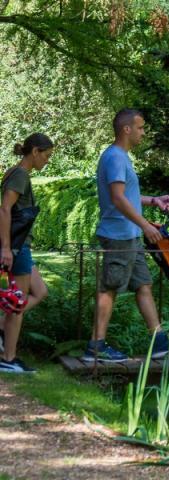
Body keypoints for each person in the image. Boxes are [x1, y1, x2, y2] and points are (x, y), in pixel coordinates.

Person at [82, 109, 169, 362]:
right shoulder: (115, 158)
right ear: (126, 129)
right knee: (109, 287)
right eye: (141, 128)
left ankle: (158, 340)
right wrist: (145, 225)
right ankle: (96, 345)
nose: (144, 132)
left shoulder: (121, 158)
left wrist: (153, 200)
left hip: (129, 234)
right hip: (119, 235)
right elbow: (117, 199)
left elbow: (127, 195)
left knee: (143, 284)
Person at [0, 133, 53, 373]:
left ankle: (3, 329)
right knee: (17, 303)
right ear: (35, 152)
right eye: (47, 155)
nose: (47, 161)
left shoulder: (16, 172)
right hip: (16, 247)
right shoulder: (20, 174)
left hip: (21, 246)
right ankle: (8, 359)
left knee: (40, 291)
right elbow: (5, 210)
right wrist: (5, 248)